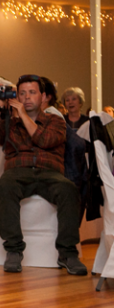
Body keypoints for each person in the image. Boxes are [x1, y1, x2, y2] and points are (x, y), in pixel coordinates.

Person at [0, 74, 87, 275]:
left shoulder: (55, 120)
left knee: (68, 190)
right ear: (16, 97)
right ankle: (13, 250)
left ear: (43, 96)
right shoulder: (9, 122)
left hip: (49, 173)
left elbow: (44, 140)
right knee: (6, 184)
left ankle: (68, 253)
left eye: (32, 93)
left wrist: (23, 116)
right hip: (18, 172)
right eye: (22, 93)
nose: (27, 97)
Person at [61, 86, 89, 223]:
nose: (70, 102)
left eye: (74, 99)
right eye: (67, 100)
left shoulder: (88, 122)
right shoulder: (61, 121)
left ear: (80, 102)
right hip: (65, 163)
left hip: (83, 163)